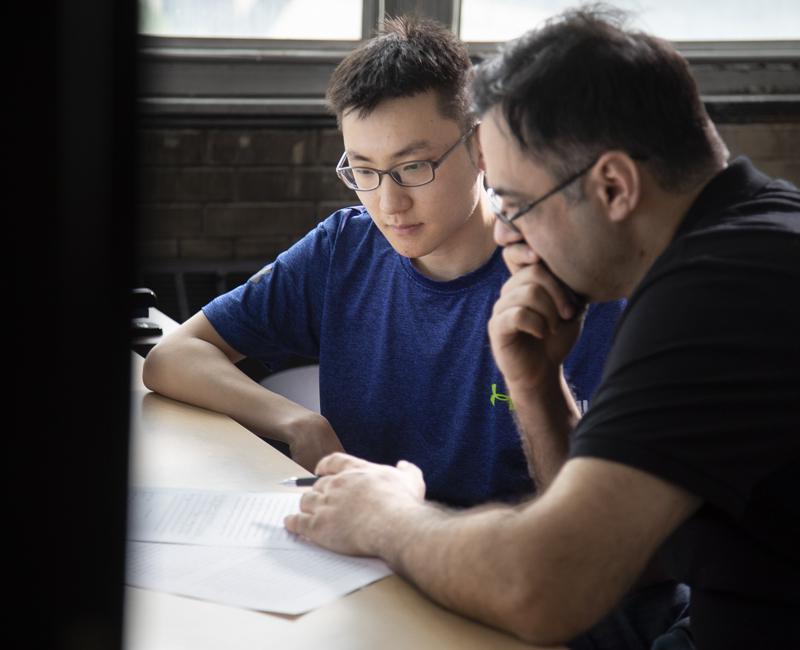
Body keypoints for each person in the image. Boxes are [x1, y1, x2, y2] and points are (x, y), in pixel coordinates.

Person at [284, 8, 800, 650]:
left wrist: (388, 519)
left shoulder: (718, 294)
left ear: (613, 187)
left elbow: (548, 587)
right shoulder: (750, 237)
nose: (504, 233)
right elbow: (619, 551)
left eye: (516, 203)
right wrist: (535, 382)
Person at [142, 17, 624, 508]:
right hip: (367, 556)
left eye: (413, 167)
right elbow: (173, 358)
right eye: (364, 170)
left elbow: (595, 519)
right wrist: (297, 422)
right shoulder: (344, 250)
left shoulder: (568, 278)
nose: (389, 203)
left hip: (495, 564)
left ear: (482, 147)